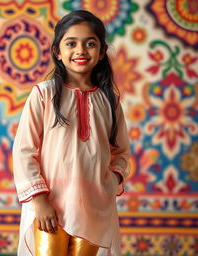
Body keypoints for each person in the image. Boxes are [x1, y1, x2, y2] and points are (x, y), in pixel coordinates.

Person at [13, 10, 131, 256]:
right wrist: (40, 199)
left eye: (90, 43)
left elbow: (121, 151)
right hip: (51, 205)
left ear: (101, 53)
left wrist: (113, 180)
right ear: (58, 51)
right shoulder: (44, 95)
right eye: (71, 43)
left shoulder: (110, 100)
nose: (81, 50)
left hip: (94, 207)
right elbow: (24, 151)